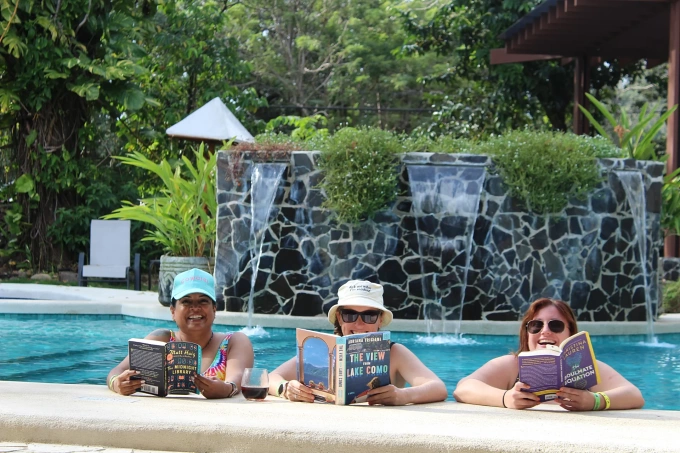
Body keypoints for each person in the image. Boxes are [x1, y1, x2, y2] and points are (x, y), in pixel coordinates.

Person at [267, 280, 448, 405]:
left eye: (369, 316)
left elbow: (438, 388)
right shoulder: (324, 348)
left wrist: (404, 395)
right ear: (340, 318)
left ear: (380, 320)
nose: (359, 324)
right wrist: (286, 388)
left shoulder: (394, 353)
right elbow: (269, 378)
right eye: (350, 315)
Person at [453, 297, 644, 411]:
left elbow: (634, 395)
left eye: (556, 325)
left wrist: (595, 401)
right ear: (527, 333)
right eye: (536, 325)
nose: (545, 331)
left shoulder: (587, 366)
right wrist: (505, 398)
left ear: (570, 333)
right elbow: (463, 389)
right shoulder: (512, 365)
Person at [107, 268, 254, 399]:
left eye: (203, 301)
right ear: (173, 311)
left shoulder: (234, 342)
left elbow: (237, 379)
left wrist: (226, 389)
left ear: (214, 309)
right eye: (186, 302)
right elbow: (117, 370)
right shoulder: (161, 340)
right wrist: (116, 383)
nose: (195, 308)